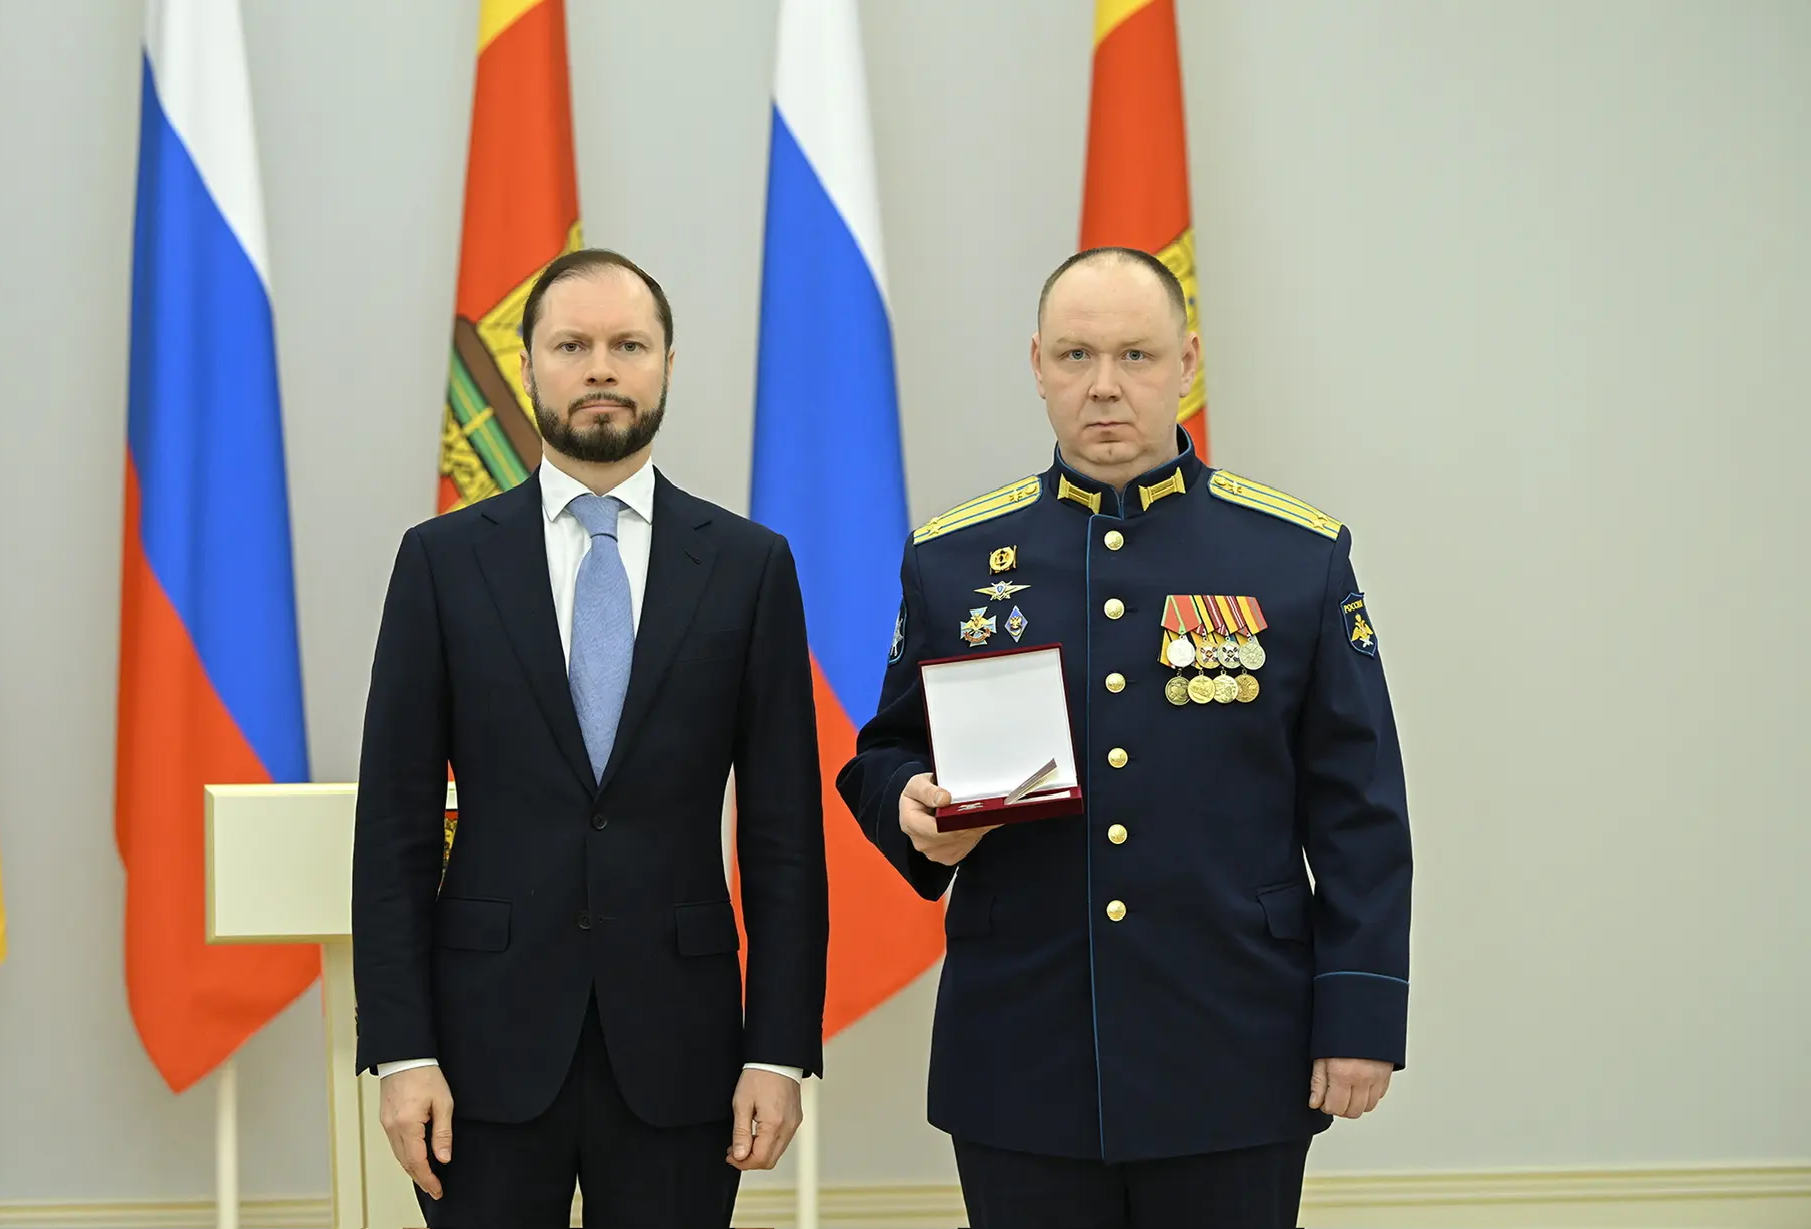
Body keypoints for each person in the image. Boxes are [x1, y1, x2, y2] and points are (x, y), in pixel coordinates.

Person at [837, 247, 1413, 1229]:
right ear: (1037, 365)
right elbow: (884, 750)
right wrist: (908, 804)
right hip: (1022, 1051)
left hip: (1236, 1046)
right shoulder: (954, 558)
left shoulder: (1295, 557)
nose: (1104, 385)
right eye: (1076, 355)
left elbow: (1359, 809)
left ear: (1188, 361)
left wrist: (1360, 1012)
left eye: (1136, 355)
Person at [353, 248, 828, 1226]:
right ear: (528, 364)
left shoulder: (749, 567)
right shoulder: (442, 562)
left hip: (684, 1053)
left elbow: (784, 836)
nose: (601, 368)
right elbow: (394, 827)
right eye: (572, 345)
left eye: (628, 345)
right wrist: (402, 1050)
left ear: (667, 364)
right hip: (479, 1055)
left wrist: (779, 1051)